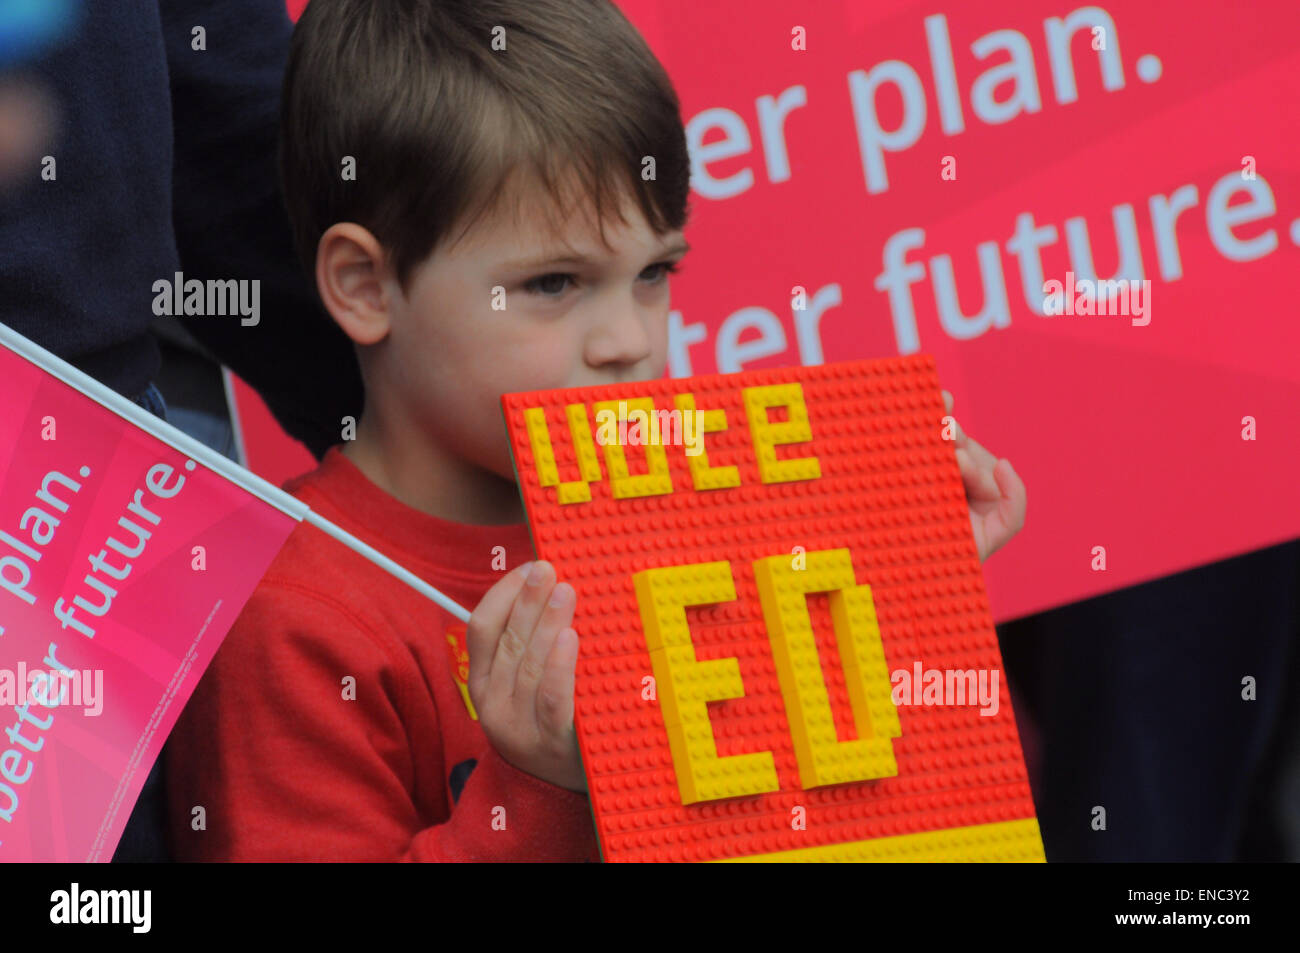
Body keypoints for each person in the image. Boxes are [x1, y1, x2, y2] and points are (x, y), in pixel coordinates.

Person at [163, 0, 1027, 861]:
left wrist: (905, 584)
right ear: (363, 285)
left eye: (654, 272)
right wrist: (538, 786)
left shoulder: (705, 517)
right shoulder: (287, 616)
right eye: (553, 283)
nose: (631, 340)